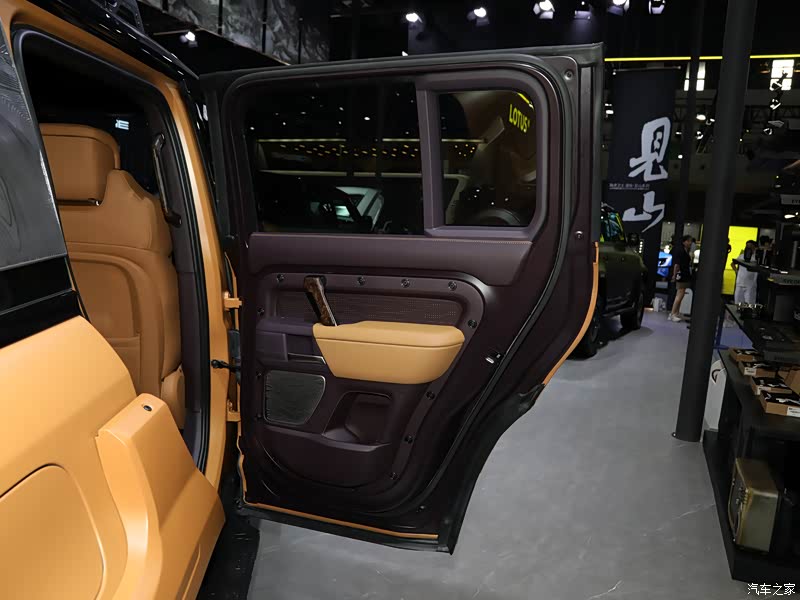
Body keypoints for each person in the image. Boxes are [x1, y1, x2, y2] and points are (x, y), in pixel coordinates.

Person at [669, 235, 694, 322]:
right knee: (679, 294)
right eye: (688, 241)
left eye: (691, 241)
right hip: (681, 274)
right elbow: (677, 264)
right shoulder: (681, 251)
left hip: (685, 274)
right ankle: (672, 314)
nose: (690, 243)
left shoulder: (686, 251)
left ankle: (676, 313)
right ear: (684, 242)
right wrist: (674, 275)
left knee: (681, 294)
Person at [732, 240, 758, 305]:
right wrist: (736, 271)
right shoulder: (742, 256)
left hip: (750, 285)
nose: (748, 247)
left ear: (754, 247)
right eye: (747, 246)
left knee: (749, 305)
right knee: (737, 304)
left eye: (750, 246)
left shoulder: (756, 257)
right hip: (740, 283)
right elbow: (733, 264)